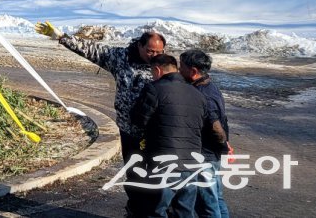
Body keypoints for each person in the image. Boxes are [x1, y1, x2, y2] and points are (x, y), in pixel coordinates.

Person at [36, 22, 164, 217]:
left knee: (157, 177)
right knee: (134, 173)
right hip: (129, 129)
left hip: (157, 132)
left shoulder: (166, 65)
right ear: (139, 45)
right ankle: (135, 210)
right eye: (150, 51)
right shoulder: (121, 58)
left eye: (159, 51)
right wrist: (62, 37)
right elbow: (93, 50)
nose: (154, 56)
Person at [131, 54, 228, 217]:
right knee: (184, 211)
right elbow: (213, 127)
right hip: (191, 165)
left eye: (152, 72)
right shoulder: (197, 94)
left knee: (155, 210)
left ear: (157, 69)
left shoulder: (154, 88)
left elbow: (138, 120)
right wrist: (224, 144)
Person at [180, 49, 231, 218]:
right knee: (216, 197)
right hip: (212, 155)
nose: (180, 71)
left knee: (206, 204)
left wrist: (223, 144)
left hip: (205, 156)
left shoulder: (203, 96)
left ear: (193, 71)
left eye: (182, 67)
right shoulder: (210, 86)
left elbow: (216, 128)